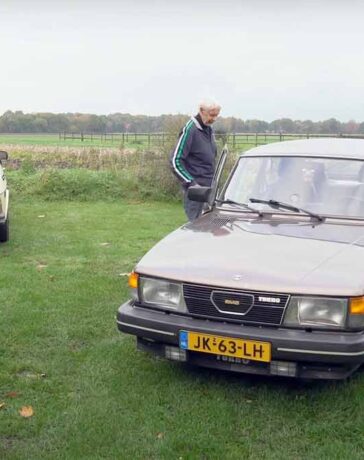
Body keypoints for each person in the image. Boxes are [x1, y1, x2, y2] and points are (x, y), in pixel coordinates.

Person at [170, 99, 221, 221]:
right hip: (196, 195)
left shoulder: (208, 129)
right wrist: (192, 184)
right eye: (211, 115)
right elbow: (175, 161)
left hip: (211, 192)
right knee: (197, 232)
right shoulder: (190, 130)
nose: (214, 119)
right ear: (202, 111)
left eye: (216, 115)